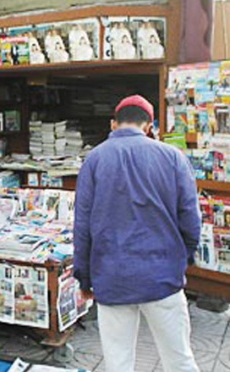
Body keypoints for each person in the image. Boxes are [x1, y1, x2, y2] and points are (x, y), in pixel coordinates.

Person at [73, 95, 200, 372]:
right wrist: (183, 257)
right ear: (149, 126)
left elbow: (82, 226)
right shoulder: (173, 157)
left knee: (118, 363)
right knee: (179, 358)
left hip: (112, 276)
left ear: (113, 124)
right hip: (163, 275)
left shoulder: (94, 159)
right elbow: (191, 219)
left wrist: (84, 277)